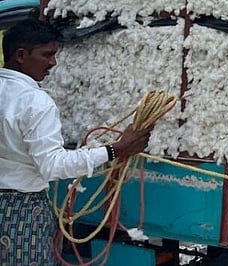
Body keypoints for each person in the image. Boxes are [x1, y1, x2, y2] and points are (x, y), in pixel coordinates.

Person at [0, 19, 152, 265]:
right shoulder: (35, 102)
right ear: (20, 55)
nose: (53, 63)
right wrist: (115, 149)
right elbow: (53, 166)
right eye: (46, 54)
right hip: (22, 211)